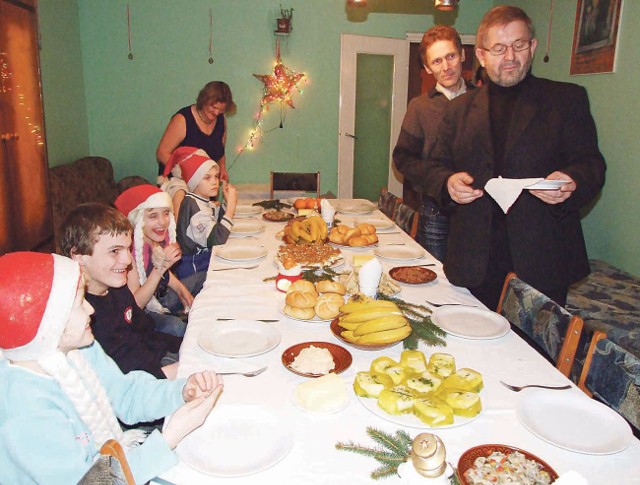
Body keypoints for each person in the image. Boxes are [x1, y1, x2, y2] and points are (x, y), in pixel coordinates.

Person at [421, 5, 606, 309]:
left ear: (532, 47)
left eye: (518, 45)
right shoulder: (458, 110)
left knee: (534, 356)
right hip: (473, 261)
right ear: (481, 55)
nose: (509, 57)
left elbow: (592, 165)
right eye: (498, 48)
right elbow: (435, 166)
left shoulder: (566, 99)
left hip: (542, 262)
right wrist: (447, 182)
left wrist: (572, 180)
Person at [0, 251, 223, 484]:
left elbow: (126, 394)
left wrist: (181, 391)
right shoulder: (24, 413)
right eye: (78, 304)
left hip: (113, 460)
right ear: (48, 322)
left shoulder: (76, 349)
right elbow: (86, 480)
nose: (90, 310)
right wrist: (168, 438)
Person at [59, 203, 184, 379]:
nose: (127, 260)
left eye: (128, 249)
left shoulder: (117, 289)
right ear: (78, 256)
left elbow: (147, 332)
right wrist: (173, 372)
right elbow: (115, 383)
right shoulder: (80, 314)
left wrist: (187, 345)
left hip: (157, 363)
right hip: (144, 382)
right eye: (115, 251)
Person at [392, 25, 474, 262]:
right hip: (435, 211)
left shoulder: (483, 101)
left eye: (451, 56)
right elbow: (403, 158)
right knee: (435, 277)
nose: (446, 67)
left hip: (476, 213)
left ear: (463, 55)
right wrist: (441, 181)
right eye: (437, 61)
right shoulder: (420, 107)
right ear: (428, 68)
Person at [115, 184, 206, 337]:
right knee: (178, 328)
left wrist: (181, 290)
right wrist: (162, 267)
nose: (163, 222)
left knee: (203, 278)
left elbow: (165, 274)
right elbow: (135, 305)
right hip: (144, 312)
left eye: (165, 214)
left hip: (160, 296)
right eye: (152, 216)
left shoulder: (153, 239)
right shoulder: (129, 253)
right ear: (138, 220)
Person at [156, 81, 236, 184]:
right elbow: (162, 153)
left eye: (221, 109)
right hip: (177, 185)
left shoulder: (221, 120)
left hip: (204, 185)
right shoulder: (182, 120)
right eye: (214, 107)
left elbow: (220, 150)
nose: (217, 113)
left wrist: (222, 168)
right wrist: (185, 172)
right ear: (204, 101)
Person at [175, 150, 237, 278]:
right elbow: (218, 239)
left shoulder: (201, 200)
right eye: (207, 177)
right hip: (194, 269)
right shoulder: (194, 207)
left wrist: (225, 203)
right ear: (195, 182)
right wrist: (231, 206)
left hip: (203, 261)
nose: (214, 182)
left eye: (216, 176)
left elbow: (215, 227)